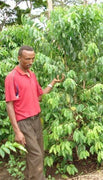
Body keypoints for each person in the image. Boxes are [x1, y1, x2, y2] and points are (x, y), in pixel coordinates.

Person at [4, 45, 64, 180]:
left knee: (37, 154)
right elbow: (10, 104)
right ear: (19, 58)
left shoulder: (32, 75)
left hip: (36, 120)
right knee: (36, 155)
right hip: (24, 122)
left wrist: (52, 83)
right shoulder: (12, 77)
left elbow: (39, 96)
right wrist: (17, 131)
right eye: (27, 59)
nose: (31, 62)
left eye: (33, 59)